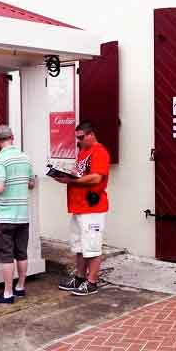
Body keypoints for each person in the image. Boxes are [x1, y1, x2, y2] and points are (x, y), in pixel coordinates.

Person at [52, 121, 111, 297]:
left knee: (92, 245)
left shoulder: (99, 151)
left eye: (81, 137)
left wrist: (72, 180)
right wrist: (65, 174)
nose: (78, 141)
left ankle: (91, 281)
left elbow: (95, 178)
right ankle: (79, 277)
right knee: (79, 245)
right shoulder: (83, 151)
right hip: (79, 206)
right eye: (76, 137)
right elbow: (82, 174)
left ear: (91, 134)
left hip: (92, 207)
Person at [0, 125, 35, 304]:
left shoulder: (0, 160)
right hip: (22, 214)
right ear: (12, 137)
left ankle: (7, 293)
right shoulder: (25, 157)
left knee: (6, 255)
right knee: (21, 252)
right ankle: (20, 287)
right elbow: (31, 183)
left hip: (4, 215)